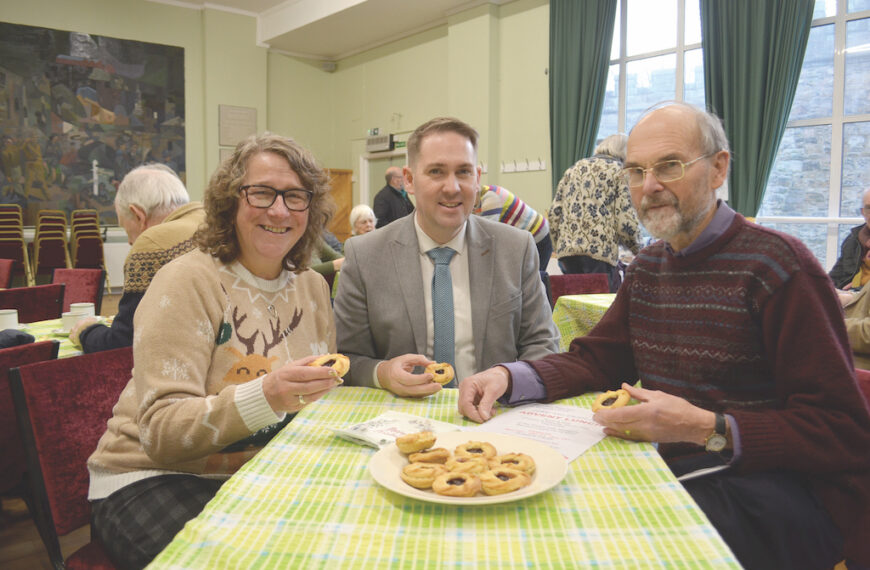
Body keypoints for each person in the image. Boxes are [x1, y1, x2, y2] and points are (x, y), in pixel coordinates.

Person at [458, 102, 870, 570]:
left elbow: (844, 431)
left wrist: (706, 428)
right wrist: (509, 377)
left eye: (669, 166)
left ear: (719, 168)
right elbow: (598, 361)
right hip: (682, 472)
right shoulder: (649, 267)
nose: (648, 186)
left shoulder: (779, 268)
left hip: (773, 495)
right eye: (635, 171)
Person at [86, 133, 342, 569]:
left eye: (295, 197)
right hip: (152, 477)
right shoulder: (187, 281)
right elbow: (162, 435)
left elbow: (317, 401)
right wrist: (267, 395)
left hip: (255, 474)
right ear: (230, 200)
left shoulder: (313, 287)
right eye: (262, 192)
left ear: (310, 211)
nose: (279, 210)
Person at [334, 117, 559, 398]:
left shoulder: (515, 248)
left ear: (477, 179)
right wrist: (382, 373)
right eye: (437, 172)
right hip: (399, 418)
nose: (452, 187)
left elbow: (544, 344)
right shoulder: (365, 255)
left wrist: (508, 377)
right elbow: (345, 358)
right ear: (409, 180)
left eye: (463, 172)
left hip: (495, 414)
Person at [70, 164, 205, 352]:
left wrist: (86, 331)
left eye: (127, 230)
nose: (130, 243)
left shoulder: (153, 243)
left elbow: (124, 343)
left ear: (138, 214)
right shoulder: (214, 222)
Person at [548, 133, 641, 292]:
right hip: (599, 253)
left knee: (574, 308)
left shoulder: (574, 168)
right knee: (599, 310)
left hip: (567, 252)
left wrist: (559, 247)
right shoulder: (619, 172)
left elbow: (554, 213)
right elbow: (625, 219)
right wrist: (639, 249)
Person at [473, 184, 552, 268]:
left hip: (539, 236)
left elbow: (486, 237)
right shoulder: (479, 198)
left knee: (535, 277)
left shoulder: (491, 198)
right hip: (526, 239)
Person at [830, 187, 870, 290]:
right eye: (869, 208)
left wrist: (856, 293)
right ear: (863, 212)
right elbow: (835, 276)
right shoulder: (854, 239)